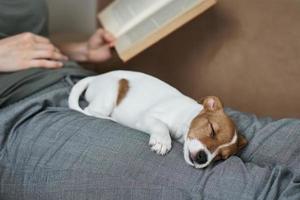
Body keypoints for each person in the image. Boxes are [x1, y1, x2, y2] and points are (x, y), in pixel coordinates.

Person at [0, 1, 299, 200]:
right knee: (252, 191)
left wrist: (80, 51)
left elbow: (22, 39)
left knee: (279, 141)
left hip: (73, 77)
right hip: (19, 110)